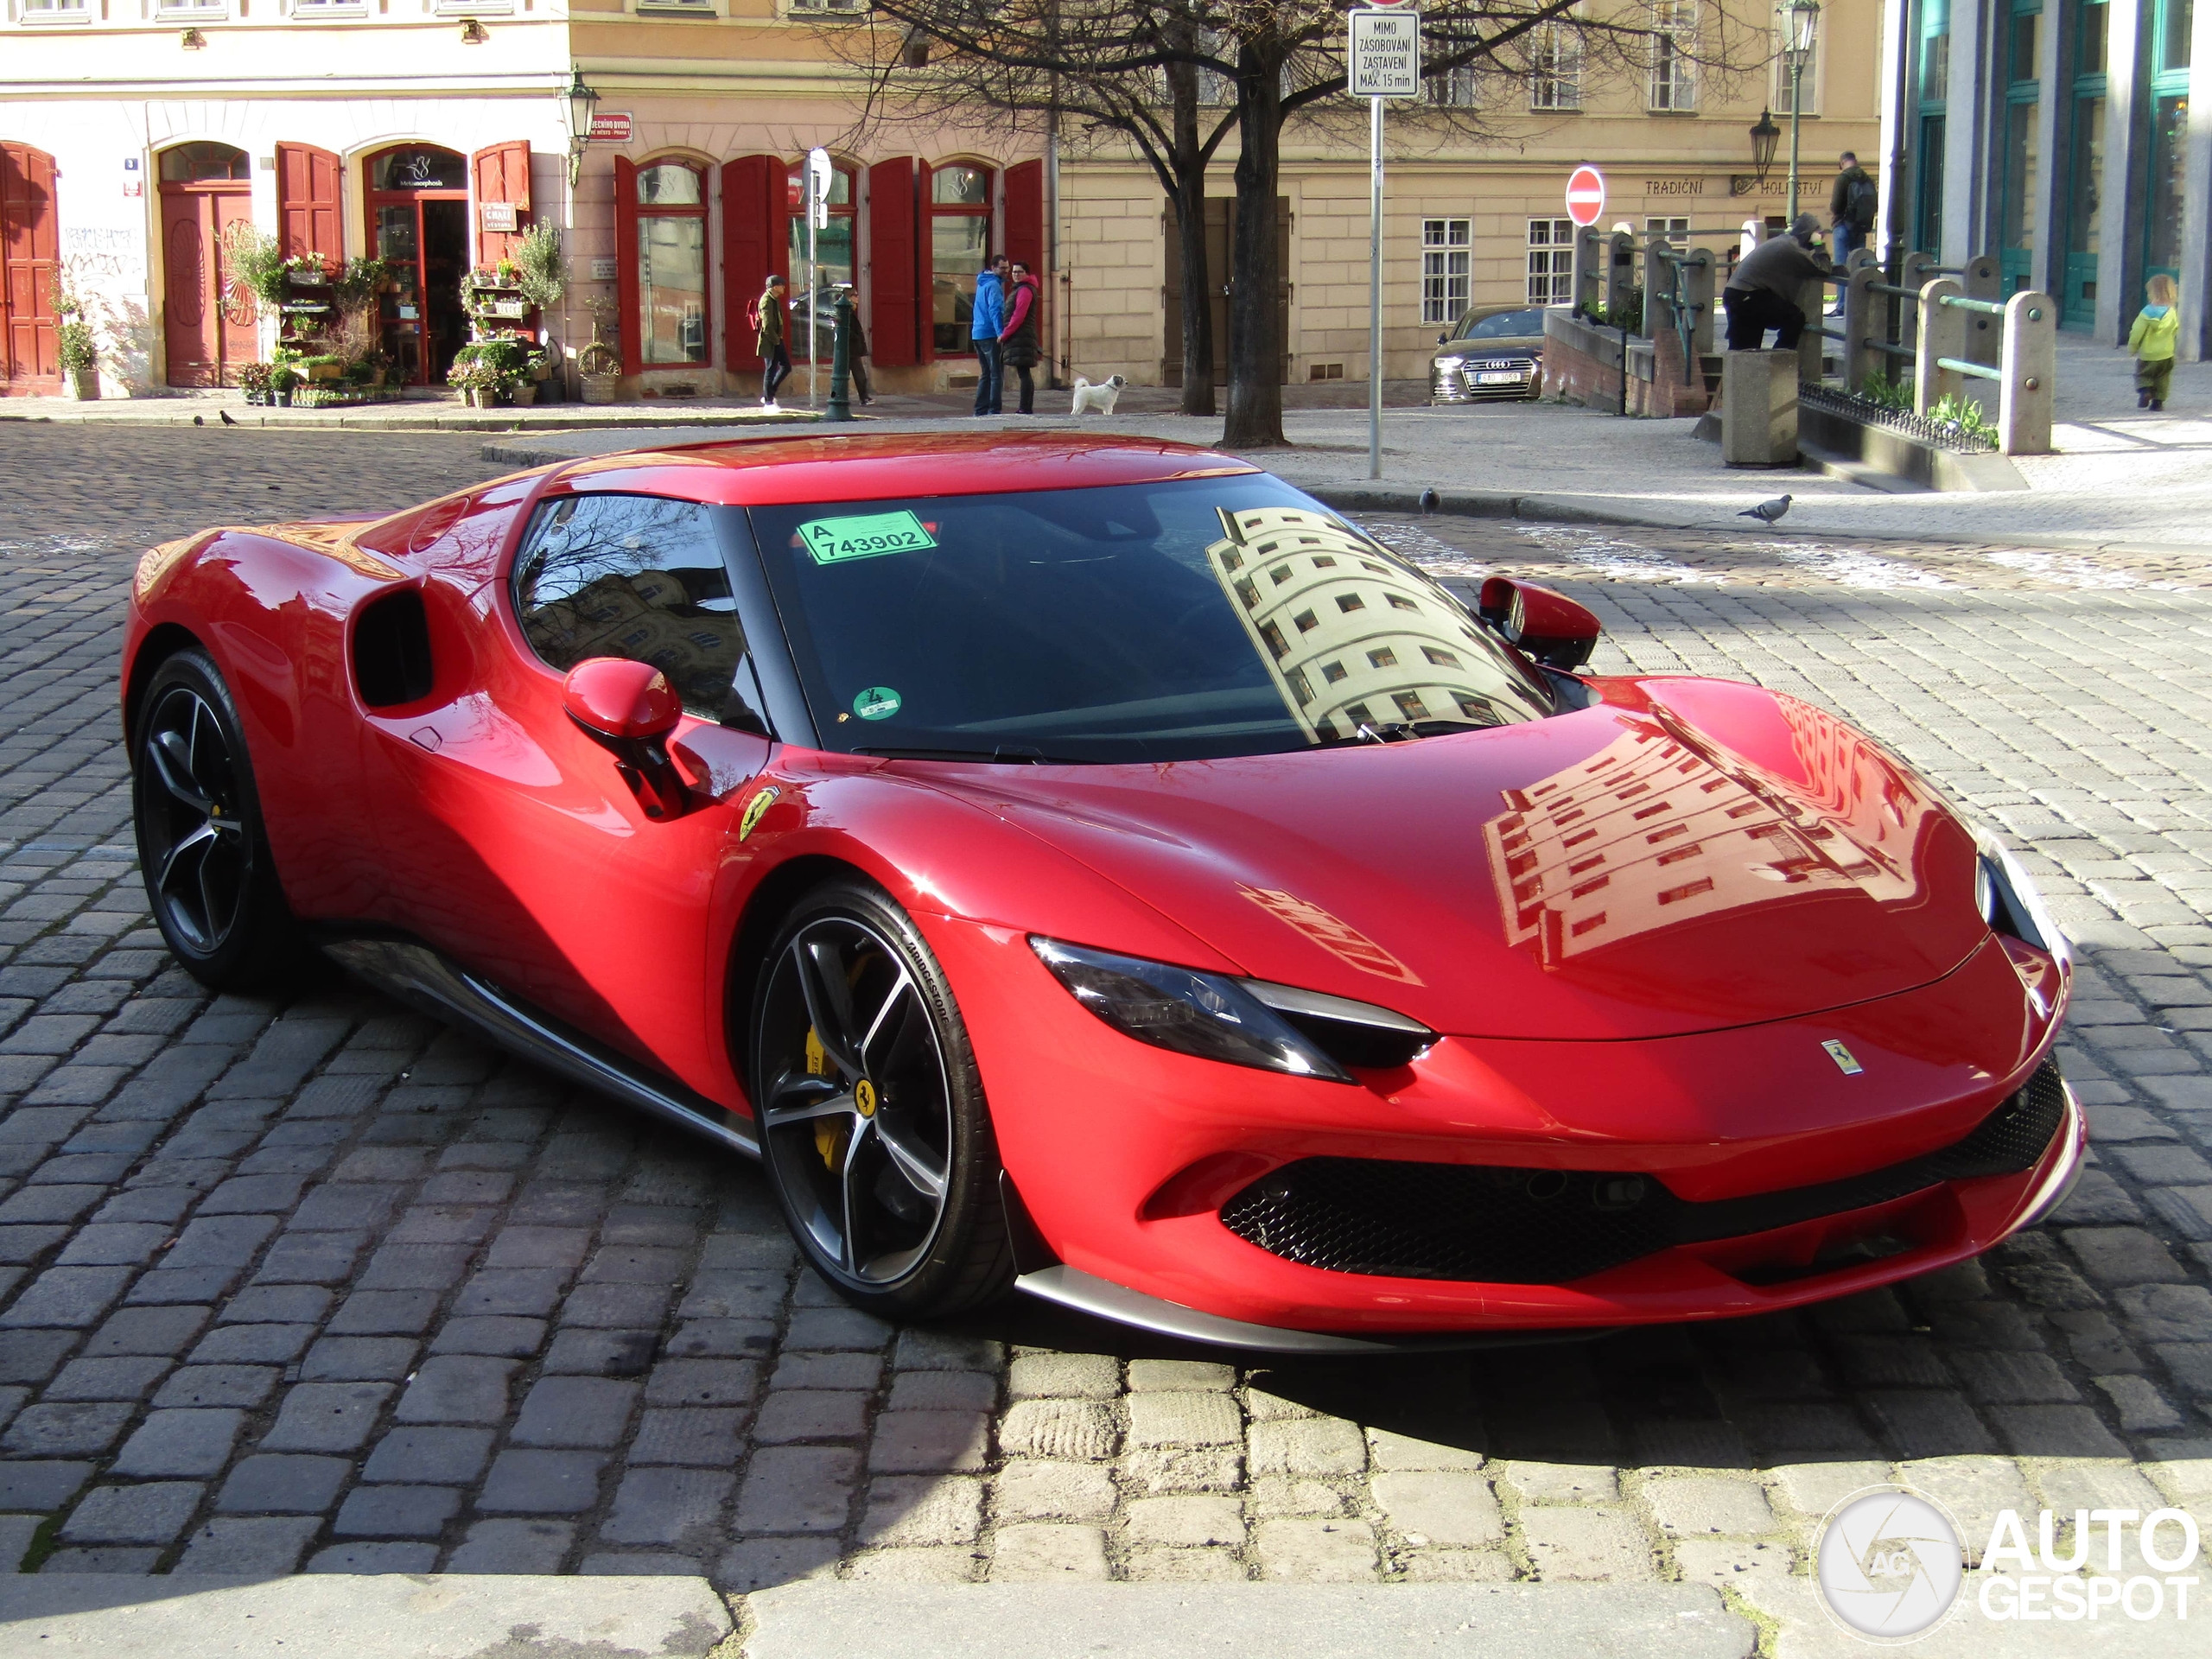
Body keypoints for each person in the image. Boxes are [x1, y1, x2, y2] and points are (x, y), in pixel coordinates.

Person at [1722, 215, 1830, 351]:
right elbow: (1824, 269)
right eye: (1818, 234)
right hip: (1747, 296)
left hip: (1739, 295)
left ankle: (1773, 363)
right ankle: (1779, 362)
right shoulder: (1793, 249)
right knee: (1795, 318)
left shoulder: (1783, 242)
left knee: (1744, 352)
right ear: (1809, 234)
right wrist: (1819, 245)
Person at [2130, 274, 2180, 412]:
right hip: (2166, 353)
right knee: (2163, 379)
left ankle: (2145, 391)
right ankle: (2158, 403)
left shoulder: (2146, 312)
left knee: (2143, 375)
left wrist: (2133, 346)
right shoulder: (2172, 312)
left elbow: (2136, 331)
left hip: (2148, 354)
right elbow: (2174, 329)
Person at [999, 260, 1042, 416]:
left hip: (1021, 335)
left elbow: (1019, 315)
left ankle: (1025, 407)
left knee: (1023, 372)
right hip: (1021, 335)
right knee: (1023, 372)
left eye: (1020, 272)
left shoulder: (1024, 290)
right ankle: (1025, 407)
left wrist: (1005, 334)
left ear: (1027, 274)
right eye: (1014, 272)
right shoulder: (1021, 289)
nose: (1016, 275)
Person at [970, 256, 1007, 416]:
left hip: (977, 333)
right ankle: (994, 410)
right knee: (996, 374)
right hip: (990, 333)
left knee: (986, 373)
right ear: (993, 268)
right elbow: (995, 310)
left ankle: (980, 409)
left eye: (1007, 268)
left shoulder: (982, 283)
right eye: (1003, 268)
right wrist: (1001, 332)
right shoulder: (993, 285)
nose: (1006, 272)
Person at [1829, 152, 1877, 265]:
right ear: (1855, 162)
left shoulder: (1842, 178)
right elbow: (1874, 204)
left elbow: (1836, 207)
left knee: (1841, 269)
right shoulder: (1867, 180)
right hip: (1860, 228)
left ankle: (1843, 284)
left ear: (1842, 163)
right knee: (1857, 268)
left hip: (1842, 226)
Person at [753, 274, 790, 410]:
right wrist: (776, 341)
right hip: (771, 341)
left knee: (786, 367)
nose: (784, 287)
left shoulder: (774, 299)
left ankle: (768, 394)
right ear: (775, 287)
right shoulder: (766, 301)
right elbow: (767, 326)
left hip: (776, 339)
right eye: (782, 285)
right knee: (771, 369)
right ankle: (768, 403)